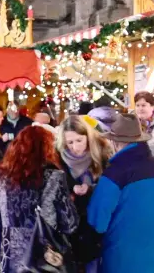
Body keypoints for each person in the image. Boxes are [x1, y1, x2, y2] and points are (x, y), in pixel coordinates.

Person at [0, 125, 78, 273]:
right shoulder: (54, 177)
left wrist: (5, 256)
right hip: (45, 263)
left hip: (10, 264)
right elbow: (70, 224)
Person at [87, 114, 154, 273]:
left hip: (119, 258)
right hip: (153, 255)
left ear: (115, 142)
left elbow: (97, 220)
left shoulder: (115, 172)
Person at [57, 115, 107, 273]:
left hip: (96, 218)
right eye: (70, 142)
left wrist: (91, 187)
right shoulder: (57, 157)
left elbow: (110, 183)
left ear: (88, 136)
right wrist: (71, 187)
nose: (75, 147)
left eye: (79, 140)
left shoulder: (102, 150)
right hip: (70, 222)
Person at [131, 92, 154, 162]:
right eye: (137, 105)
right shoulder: (129, 122)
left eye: (143, 105)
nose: (140, 108)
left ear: (152, 107)